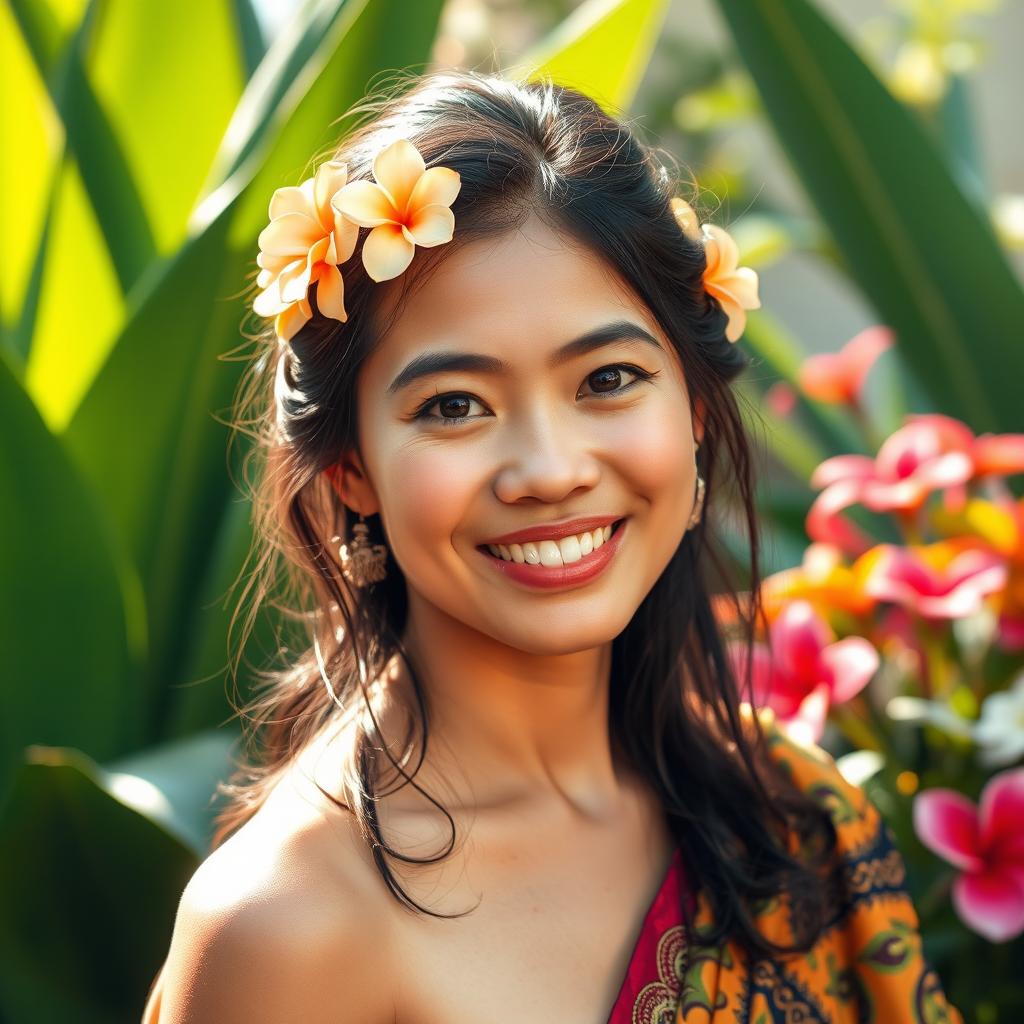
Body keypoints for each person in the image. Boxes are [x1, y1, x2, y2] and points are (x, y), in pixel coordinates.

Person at [141, 69, 962, 1023]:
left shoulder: (794, 817)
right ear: (351, 469)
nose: (549, 469)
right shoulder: (290, 927)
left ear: (694, 413)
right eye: (455, 406)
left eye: (607, 378)